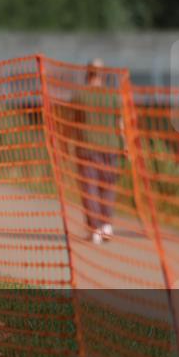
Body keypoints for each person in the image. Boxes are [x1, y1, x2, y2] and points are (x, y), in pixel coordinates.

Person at [69, 59, 124, 244]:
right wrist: (124, 145)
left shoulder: (79, 95)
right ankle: (106, 225)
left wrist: (66, 144)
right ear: (102, 74)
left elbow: (72, 123)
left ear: (87, 73)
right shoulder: (113, 96)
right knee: (107, 187)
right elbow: (120, 124)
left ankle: (95, 230)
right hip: (110, 148)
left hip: (86, 148)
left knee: (89, 189)